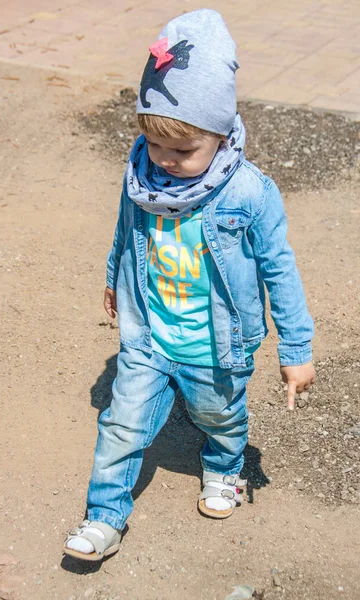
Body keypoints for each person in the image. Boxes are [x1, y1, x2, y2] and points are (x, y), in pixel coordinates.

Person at [64, 8, 315, 562]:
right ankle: (104, 518)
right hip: (149, 334)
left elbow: (280, 268)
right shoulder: (142, 175)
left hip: (215, 346)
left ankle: (224, 464)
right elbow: (127, 230)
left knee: (220, 418)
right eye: (156, 146)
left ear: (221, 135)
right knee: (121, 426)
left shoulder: (248, 193)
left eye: (183, 151)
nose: (166, 162)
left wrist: (296, 350)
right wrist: (113, 276)